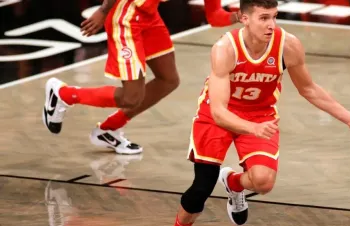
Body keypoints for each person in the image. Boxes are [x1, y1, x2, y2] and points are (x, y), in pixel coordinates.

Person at [156, 0, 350, 226]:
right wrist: (251, 129)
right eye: (263, 18)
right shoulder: (225, 49)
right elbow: (218, 112)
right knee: (202, 186)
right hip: (219, 114)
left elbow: (309, 89)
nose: (271, 24)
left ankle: (235, 183)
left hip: (260, 115)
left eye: (274, 17)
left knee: (263, 182)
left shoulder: (288, 45)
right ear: (243, 18)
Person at [42, 0, 241, 154]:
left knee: (168, 80)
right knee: (131, 97)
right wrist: (103, 10)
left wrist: (240, 16)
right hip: (125, 17)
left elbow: (215, 16)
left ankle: (108, 129)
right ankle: (64, 94)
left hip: (149, 17)